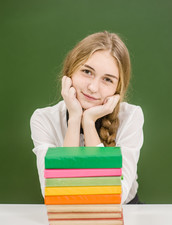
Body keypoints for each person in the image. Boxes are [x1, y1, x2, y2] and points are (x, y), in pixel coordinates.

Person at [30, 31, 144, 204]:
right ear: (70, 71)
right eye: (87, 72)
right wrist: (75, 119)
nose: (92, 87)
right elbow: (56, 193)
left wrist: (89, 122)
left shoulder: (131, 116)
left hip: (126, 213)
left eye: (107, 79)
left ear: (117, 89)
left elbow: (115, 197)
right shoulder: (43, 119)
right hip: (66, 213)